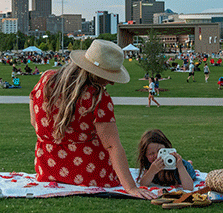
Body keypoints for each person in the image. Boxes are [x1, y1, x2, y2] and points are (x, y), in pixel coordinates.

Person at [29, 39, 156, 199]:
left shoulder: (46, 79)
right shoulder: (97, 98)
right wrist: (130, 188)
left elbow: (34, 120)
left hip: (47, 169)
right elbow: (112, 146)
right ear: (95, 73)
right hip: (91, 175)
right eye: (109, 76)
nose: (112, 82)